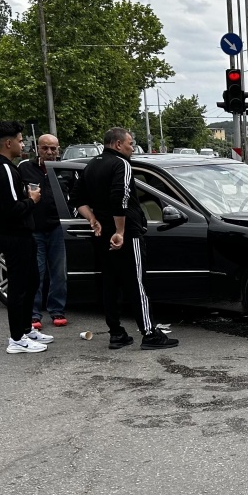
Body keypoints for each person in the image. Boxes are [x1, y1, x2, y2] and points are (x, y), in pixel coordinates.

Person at [71, 127, 178, 351]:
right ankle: (149, 333)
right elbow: (120, 197)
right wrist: (120, 231)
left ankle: (116, 333)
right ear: (118, 144)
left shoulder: (90, 165)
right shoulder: (121, 164)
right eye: (130, 143)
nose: (132, 148)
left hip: (101, 233)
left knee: (110, 283)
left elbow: (77, 198)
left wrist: (93, 219)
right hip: (126, 233)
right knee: (136, 283)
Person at [0, 120, 54, 354]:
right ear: (8, 143)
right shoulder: (3, 169)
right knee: (19, 287)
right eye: (21, 140)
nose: (23, 144)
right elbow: (11, 208)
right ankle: (17, 339)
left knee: (31, 281)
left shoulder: (3, 167)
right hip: (14, 235)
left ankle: (26, 328)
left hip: (20, 233)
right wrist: (32, 200)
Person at [19, 134, 67, 330]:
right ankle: (34, 314)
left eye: (53, 149)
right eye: (45, 148)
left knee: (59, 273)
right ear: (37, 148)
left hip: (57, 227)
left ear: (59, 150)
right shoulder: (24, 168)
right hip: (34, 229)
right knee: (36, 273)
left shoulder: (65, 170)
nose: (49, 152)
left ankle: (57, 311)